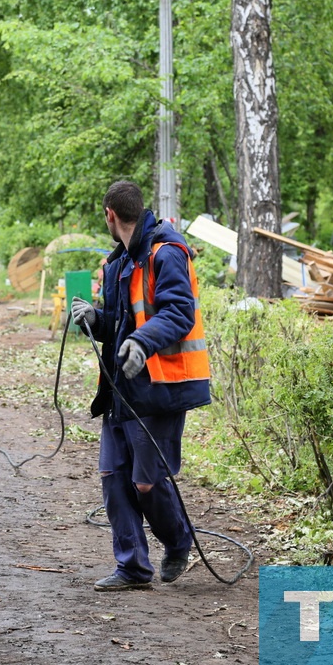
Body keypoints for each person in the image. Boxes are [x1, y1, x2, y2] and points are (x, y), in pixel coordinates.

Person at [71, 181, 211, 591]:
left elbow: (179, 313)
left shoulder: (166, 252)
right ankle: (132, 568)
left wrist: (141, 341)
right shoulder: (118, 263)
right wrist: (95, 320)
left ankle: (179, 541)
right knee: (114, 477)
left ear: (110, 215)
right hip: (122, 387)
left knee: (147, 482)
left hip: (162, 386)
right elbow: (120, 323)